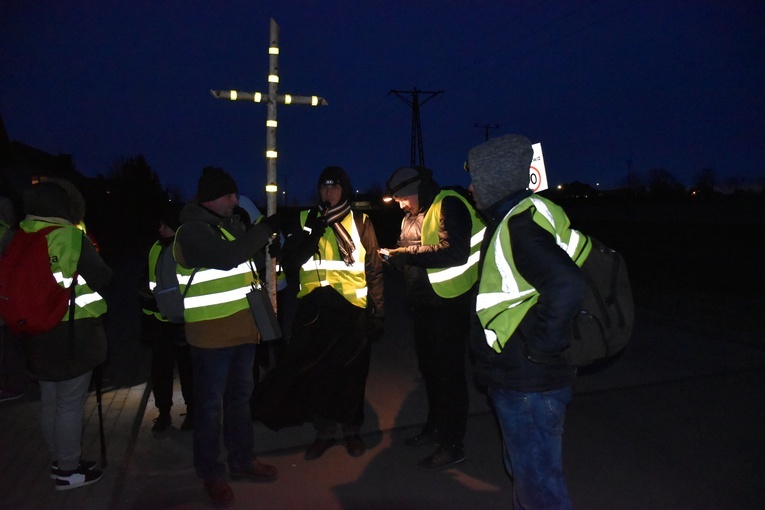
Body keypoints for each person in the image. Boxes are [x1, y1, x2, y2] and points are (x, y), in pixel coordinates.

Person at [466, 134, 587, 509]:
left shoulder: (519, 227)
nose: (470, 187)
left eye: (476, 177)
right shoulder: (520, 216)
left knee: (539, 489)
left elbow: (567, 285)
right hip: (522, 380)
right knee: (529, 477)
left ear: (494, 179)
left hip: (529, 384)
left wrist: (539, 350)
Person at [253, 165, 384, 461]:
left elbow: (374, 269)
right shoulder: (305, 219)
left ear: (344, 189)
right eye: (324, 186)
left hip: (352, 310)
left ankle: (351, 430)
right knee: (318, 374)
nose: (328, 192)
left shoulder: (361, 221)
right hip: (315, 309)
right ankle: (324, 431)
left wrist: (378, 311)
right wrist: (310, 233)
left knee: (351, 375)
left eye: (334, 186)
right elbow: (292, 261)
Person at [173, 167, 280, 506]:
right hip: (211, 338)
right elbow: (227, 259)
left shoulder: (228, 228)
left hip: (242, 334)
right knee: (208, 409)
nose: (236, 200)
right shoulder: (191, 231)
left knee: (239, 403)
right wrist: (265, 229)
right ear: (210, 199)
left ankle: (243, 460)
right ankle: (211, 474)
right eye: (230, 195)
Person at [380, 165, 485, 471]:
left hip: (449, 304)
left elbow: (455, 252)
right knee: (430, 371)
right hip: (423, 305)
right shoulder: (410, 216)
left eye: (401, 198)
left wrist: (405, 255)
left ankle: (453, 444)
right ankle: (435, 427)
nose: (399, 203)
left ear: (416, 190)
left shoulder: (449, 203)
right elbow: (412, 255)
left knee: (449, 375)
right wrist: (393, 258)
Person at [19, 179, 112, 490]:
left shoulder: (18, 236)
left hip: (35, 330)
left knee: (50, 399)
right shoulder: (70, 236)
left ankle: (59, 458)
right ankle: (68, 471)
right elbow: (102, 277)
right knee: (69, 404)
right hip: (73, 331)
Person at [139, 205, 194, 432]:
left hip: (180, 321)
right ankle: (163, 413)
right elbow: (148, 279)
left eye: (164, 225)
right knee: (160, 371)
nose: (159, 229)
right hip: (157, 321)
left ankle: (193, 413)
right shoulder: (155, 247)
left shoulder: (183, 249)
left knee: (188, 370)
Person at [0, 195, 27, 403]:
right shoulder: (11, 235)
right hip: (9, 299)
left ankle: (14, 385)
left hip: (7, 301)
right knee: (11, 343)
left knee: (9, 344)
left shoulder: (8, 236)